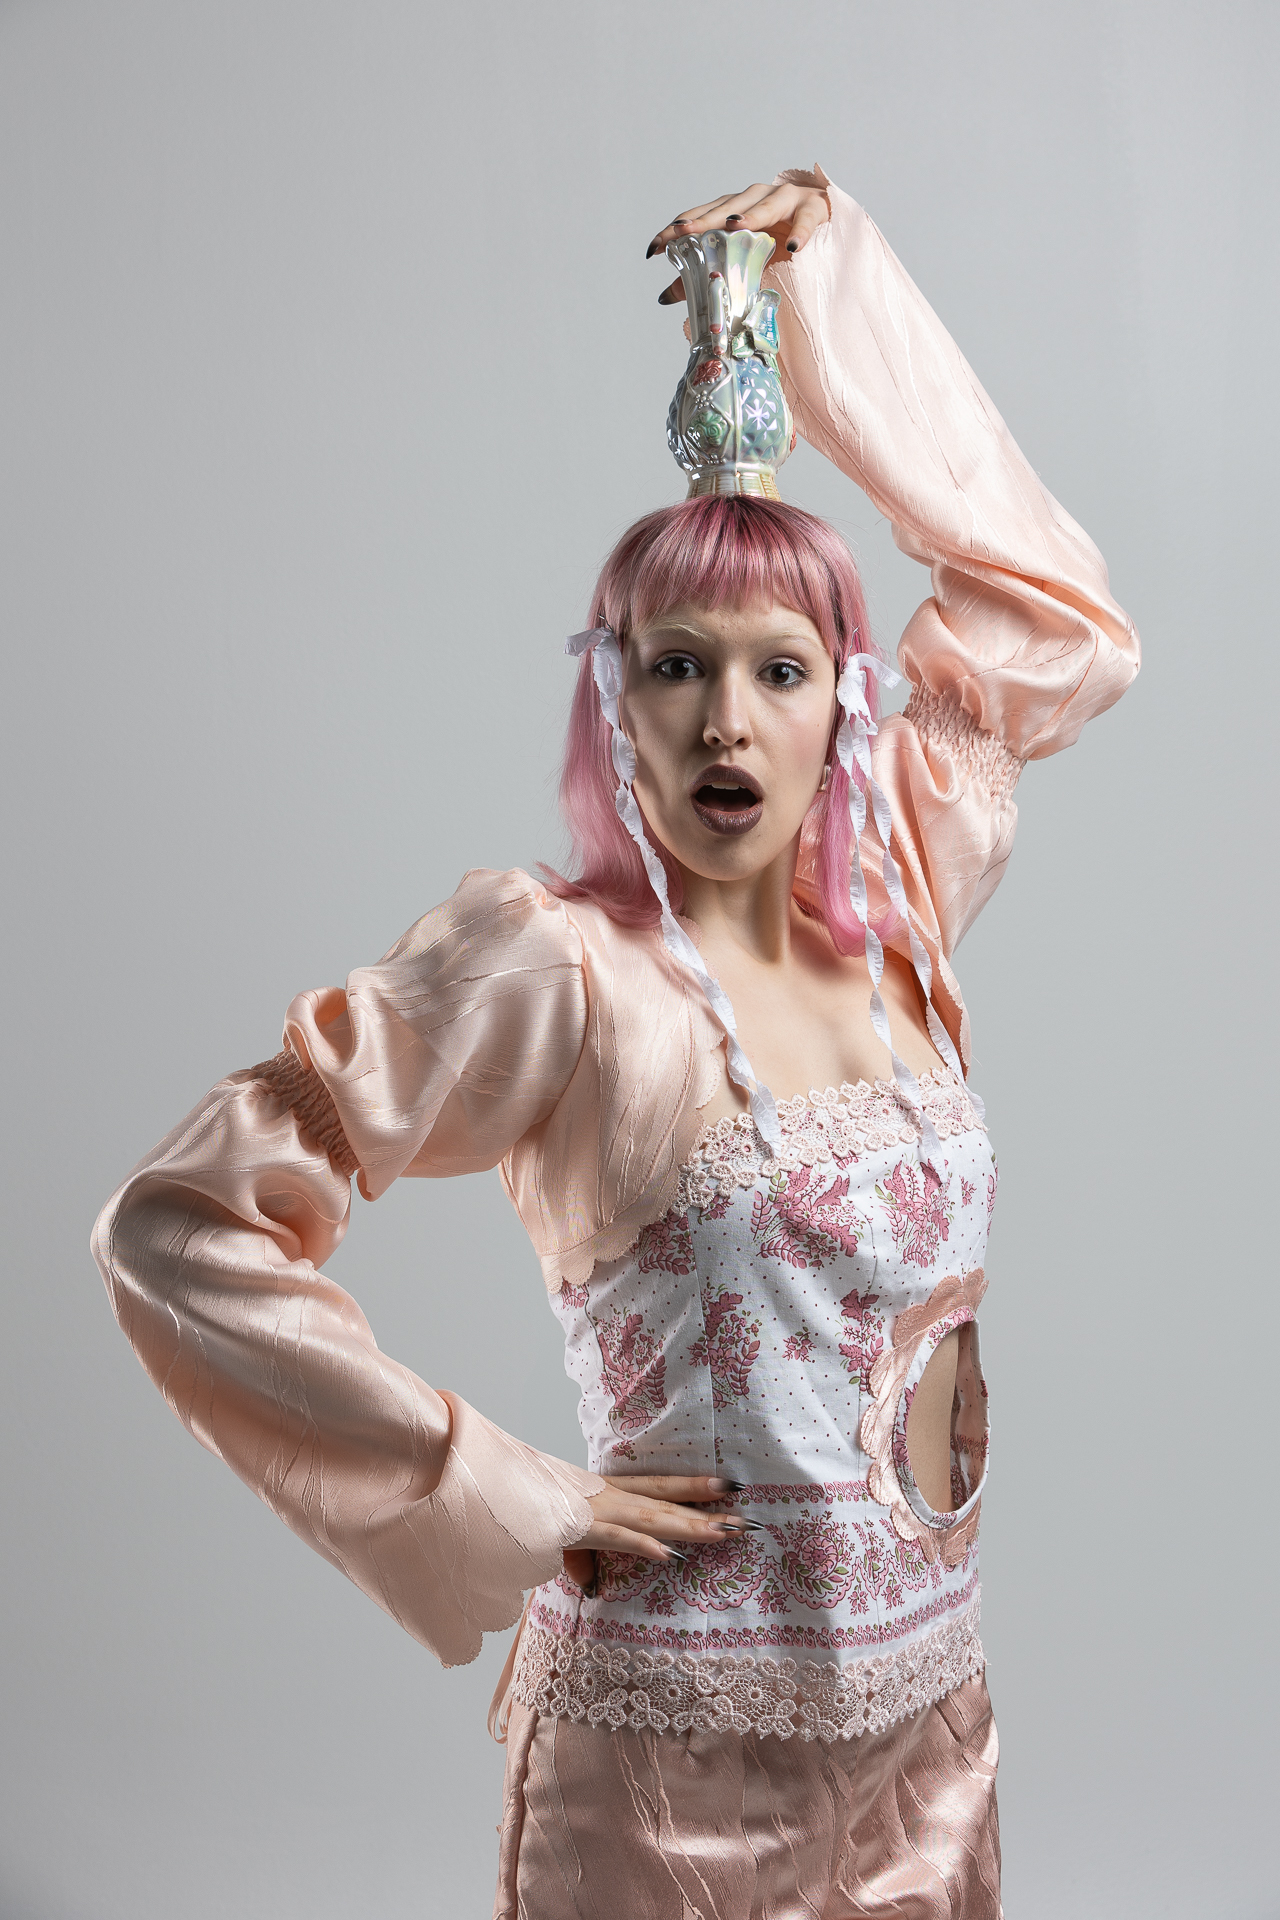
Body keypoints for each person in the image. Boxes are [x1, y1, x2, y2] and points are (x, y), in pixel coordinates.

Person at [92, 168, 1138, 1918]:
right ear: (616, 700)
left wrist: (836, 292)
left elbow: (1062, 624)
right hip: (667, 1779)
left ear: (844, 704)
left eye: (781, 671)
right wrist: (493, 1487)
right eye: (676, 668)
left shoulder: (903, 889)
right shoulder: (555, 969)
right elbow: (178, 1227)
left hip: (930, 1738)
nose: (728, 721)